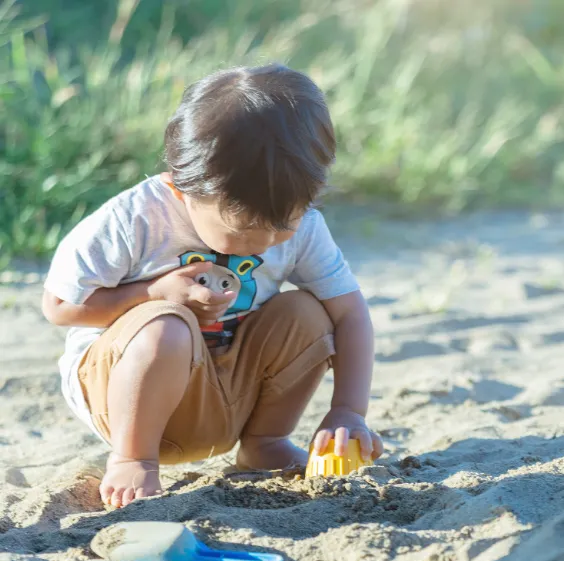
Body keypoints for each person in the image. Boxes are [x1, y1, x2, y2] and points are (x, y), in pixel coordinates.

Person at [41, 64, 383, 508]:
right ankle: (133, 460)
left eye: (284, 226)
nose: (264, 242)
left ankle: (265, 442)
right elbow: (60, 306)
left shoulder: (304, 228)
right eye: (242, 232)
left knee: (309, 313)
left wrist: (348, 411)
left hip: (226, 395)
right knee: (167, 324)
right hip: (124, 399)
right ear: (184, 188)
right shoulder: (137, 218)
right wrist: (153, 293)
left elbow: (351, 314)